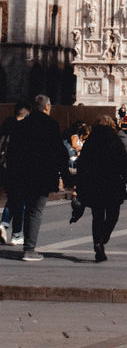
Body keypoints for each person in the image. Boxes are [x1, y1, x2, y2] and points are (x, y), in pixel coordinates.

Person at [4, 95, 69, 260]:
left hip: (21, 174)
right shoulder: (51, 125)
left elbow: (12, 151)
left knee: (27, 209)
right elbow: (60, 152)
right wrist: (65, 176)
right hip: (42, 175)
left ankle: (26, 245)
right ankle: (29, 249)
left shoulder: (22, 124)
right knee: (35, 211)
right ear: (46, 107)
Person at [72, 115, 127, 261]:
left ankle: (97, 245)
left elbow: (82, 164)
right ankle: (103, 238)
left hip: (94, 184)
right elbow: (123, 162)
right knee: (113, 215)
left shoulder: (90, 142)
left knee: (97, 216)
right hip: (112, 184)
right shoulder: (115, 141)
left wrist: (80, 183)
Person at [0, 99, 31, 246]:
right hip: (22, 169)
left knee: (12, 198)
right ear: (27, 112)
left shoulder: (7, 124)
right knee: (20, 202)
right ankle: (17, 234)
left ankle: (4, 224)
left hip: (6, 168)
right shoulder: (26, 127)